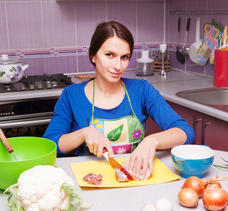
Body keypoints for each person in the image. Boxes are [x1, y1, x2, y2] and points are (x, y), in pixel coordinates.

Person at [43, 21, 194, 179]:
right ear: (93, 56)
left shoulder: (141, 90)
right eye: (110, 55)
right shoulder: (71, 95)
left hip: (134, 180)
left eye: (124, 57)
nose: (118, 66)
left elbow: (185, 131)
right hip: (91, 182)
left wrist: (152, 141)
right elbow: (50, 145)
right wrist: (83, 133)